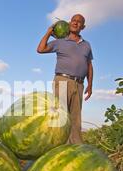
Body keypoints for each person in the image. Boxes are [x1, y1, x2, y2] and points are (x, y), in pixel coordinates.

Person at [36, 14, 93, 144]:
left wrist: (90, 85)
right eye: (74, 20)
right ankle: (57, 147)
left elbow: (89, 65)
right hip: (62, 81)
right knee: (60, 116)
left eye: (79, 22)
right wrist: (49, 32)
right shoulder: (60, 42)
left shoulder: (87, 45)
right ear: (69, 23)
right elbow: (40, 49)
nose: (76, 23)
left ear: (83, 27)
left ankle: (76, 147)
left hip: (79, 84)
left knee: (75, 118)